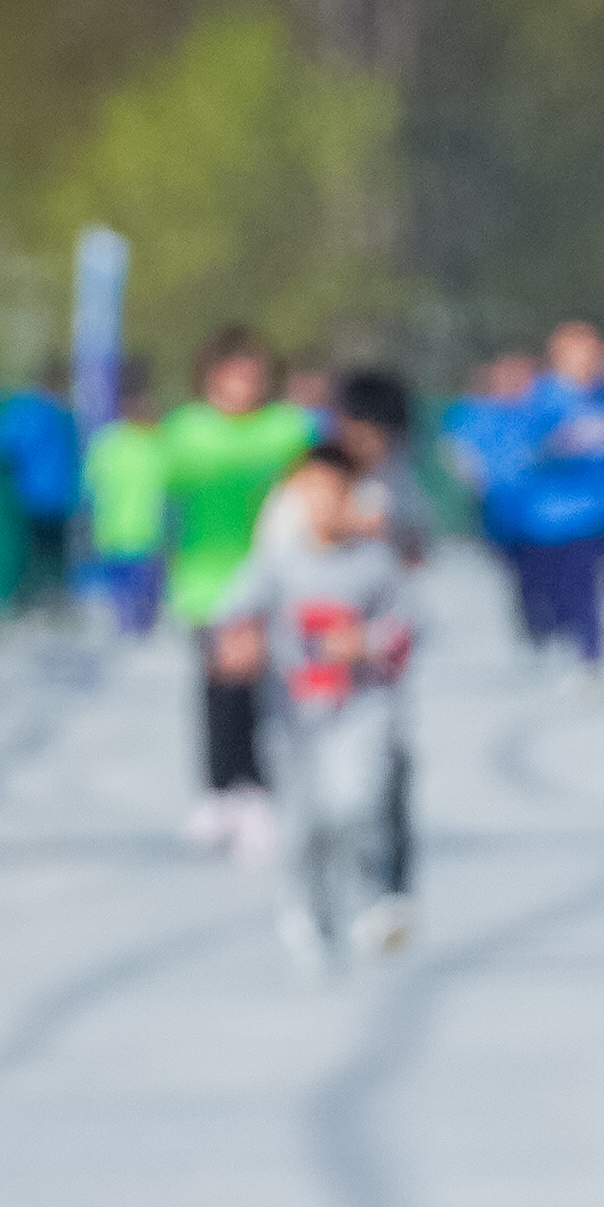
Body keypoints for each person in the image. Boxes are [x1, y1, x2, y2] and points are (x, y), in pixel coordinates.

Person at [210, 420, 422, 969]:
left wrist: (366, 643)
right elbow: (230, 617)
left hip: (362, 712)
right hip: (294, 716)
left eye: (333, 491)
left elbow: (409, 629)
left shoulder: (374, 564)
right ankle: (305, 911)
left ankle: (366, 903)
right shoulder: (277, 565)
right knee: (304, 822)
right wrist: (239, 641)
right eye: (309, 492)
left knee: (355, 807)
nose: (321, 504)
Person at [161, 333, 320, 859]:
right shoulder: (186, 431)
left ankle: (256, 790)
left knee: (256, 688)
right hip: (206, 579)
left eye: (252, 376)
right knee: (217, 684)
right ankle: (219, 788)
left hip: (270, 577)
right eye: (231, 375)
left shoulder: (288, 429)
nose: (241, 387)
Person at [485, 320, 604, 677]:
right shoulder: (539, 397)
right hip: (542, 515)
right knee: (545, 593)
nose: (588, 359)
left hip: (592, 513)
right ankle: (551, 644)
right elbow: (520, 450)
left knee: (588, 587)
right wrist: (557, 445)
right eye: (579, 352)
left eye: (593, 351)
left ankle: (591, 656)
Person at [80, 354, 172, 632]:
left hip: (122, 533)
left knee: (127, 599)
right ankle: (136, 634)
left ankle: (131, 633)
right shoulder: (156, 442)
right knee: (140, 601)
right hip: (141, 533)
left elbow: (89, 488)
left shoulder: (106, 442)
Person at [0, 358, 84, 613]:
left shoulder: (24, 409)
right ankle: (50, 599)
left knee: (33, 551)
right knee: (53, 553)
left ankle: (26, 599)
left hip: (31, 494)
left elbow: (3, 445)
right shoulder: (62, 414)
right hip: (56, 496)